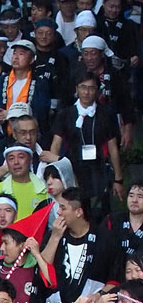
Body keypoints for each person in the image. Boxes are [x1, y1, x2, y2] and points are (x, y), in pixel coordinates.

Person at [50, 71, 124, 220]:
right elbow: (55, 144)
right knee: (76, 210)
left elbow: (112, 147)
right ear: (76, 89)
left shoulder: (105, 114)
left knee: (101, 211)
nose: (87, 92)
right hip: (73, 167)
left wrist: (118, 179)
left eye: (91, 88)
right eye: (83, 87)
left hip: (98, 168)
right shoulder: (66, 114)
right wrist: (54, 173)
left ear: (97, 90)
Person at [40, 188, 116, 303]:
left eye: (63, 208)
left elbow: (115, 277)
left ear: (79, 212)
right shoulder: (54, 234)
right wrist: (55, 237)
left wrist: (99, 295)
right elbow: (43, 270)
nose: (58, 212)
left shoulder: (105, 238)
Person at [0, 145, 49, 219]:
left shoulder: (44, 189)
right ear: (7, 163)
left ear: (30, 161)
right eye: (11, 158)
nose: (16, 162)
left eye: (21, 157)